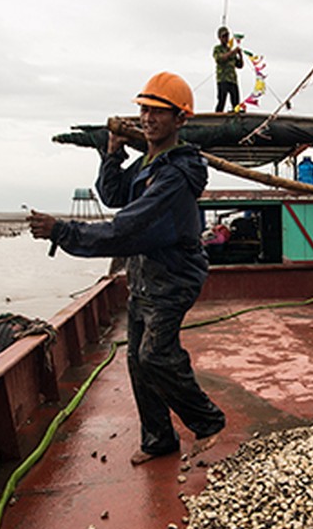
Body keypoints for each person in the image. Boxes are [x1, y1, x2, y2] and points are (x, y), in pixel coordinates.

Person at [28, 71, 225, 464]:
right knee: (137, 360)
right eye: (144, 110)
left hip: (173, 278)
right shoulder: (148, 162)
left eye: (158, 112)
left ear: (180, 120)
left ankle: (207, 422)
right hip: (143, 278)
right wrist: (113, 152)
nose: (148, 118)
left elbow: (125, 229)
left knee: (155, 354)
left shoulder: (174, 175)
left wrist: (63, 231)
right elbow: (115, 194)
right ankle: (158, 440)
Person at [212, 26, 244, 113]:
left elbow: (240, 65)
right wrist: (233, 52)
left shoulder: (230, 50)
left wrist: (240, 55)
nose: (226, 38)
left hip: (232, 80)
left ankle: (236, 117)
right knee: (221, 101)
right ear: (219, 38)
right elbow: (220, 59)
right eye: (224, 36)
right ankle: (217, 117)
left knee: (236, 102)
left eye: (227, 36)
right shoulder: (217, 49)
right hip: (222, 79)